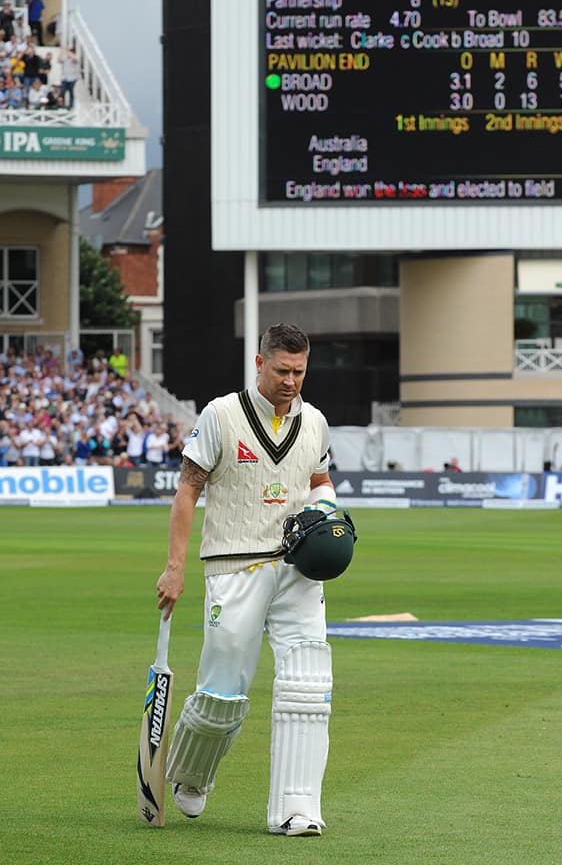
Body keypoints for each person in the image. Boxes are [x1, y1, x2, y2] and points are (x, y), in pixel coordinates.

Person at [156, 323, 336, 837]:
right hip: (234, 565)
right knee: (223, 689)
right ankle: (190, 775)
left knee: (308, 679)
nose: (291, 381)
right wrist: (175, 567)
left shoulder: (316, 421)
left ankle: (297, 808)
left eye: (300, 371)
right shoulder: (221, 414)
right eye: (282, 370)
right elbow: (188, 491)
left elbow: (319, 480)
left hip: (300, 566)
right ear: (260, 364)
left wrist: (329, 513)